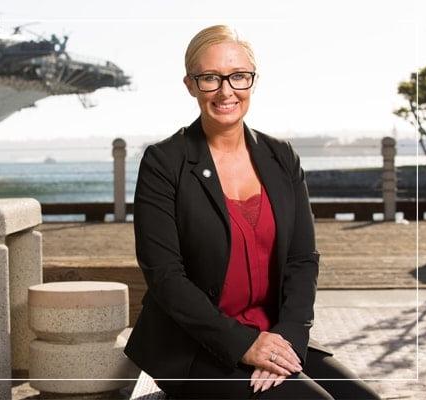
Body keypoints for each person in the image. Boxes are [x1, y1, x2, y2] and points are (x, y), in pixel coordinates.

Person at [123, 25, 381, 399]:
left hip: (273, 331)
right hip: (196, 344)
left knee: (365, 399)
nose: (226, 91)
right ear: (190, 84)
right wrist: (245, 345)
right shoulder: (164, 162)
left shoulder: (281, 157)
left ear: (252, 81)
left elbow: (301, 260)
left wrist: (287, 337)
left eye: (238, 76)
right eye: (210, 78)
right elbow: (165, 277)